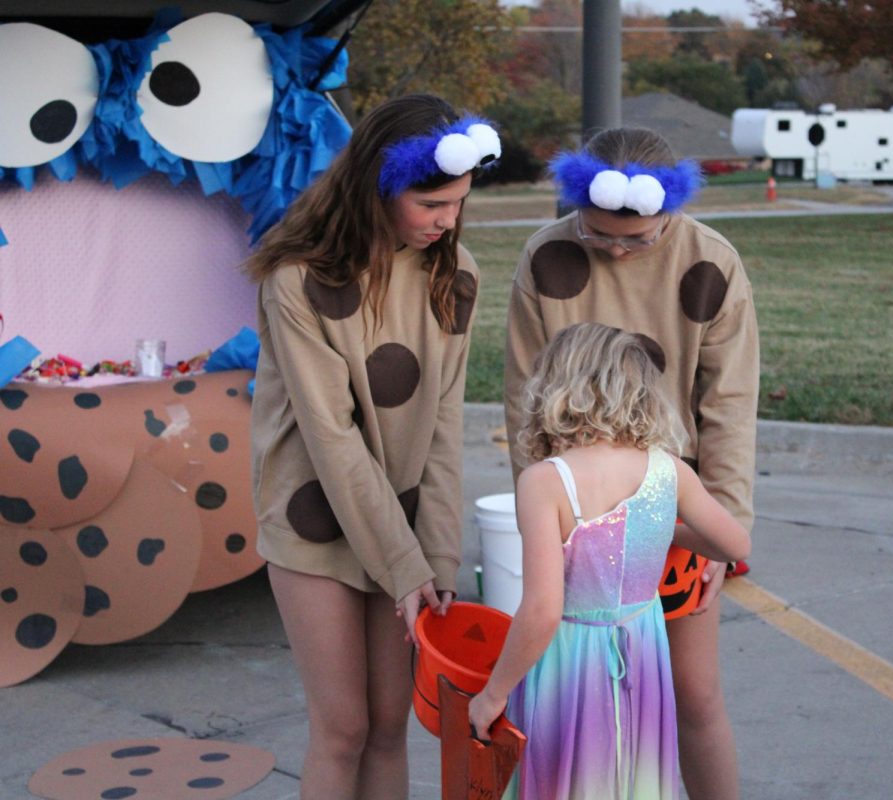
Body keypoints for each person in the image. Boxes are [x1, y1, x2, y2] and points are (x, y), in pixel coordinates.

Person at [246, 94, 499, 799]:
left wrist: (437, 552)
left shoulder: (457, 272)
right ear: (377, 186)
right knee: (344, 728)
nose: (448, 219)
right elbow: (331, 437)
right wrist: (404, 561)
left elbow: (445, 421)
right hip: (316, 520)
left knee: (391, 723)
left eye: (459, 201)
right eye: (432, 202)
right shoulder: (297, 278)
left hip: (406, 525)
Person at [504, 127, 759, 800]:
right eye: (600, 234)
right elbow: (524, 398)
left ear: (669, 211)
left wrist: (716, 537)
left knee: (696, 697)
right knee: (569, 706)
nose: (617, 249)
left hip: (673, 508)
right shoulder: (545, 256)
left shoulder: (712, 260)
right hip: (576, 515)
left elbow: (729, 405)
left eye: (638, 238)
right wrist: (547, 520)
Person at [471, 323, 751, 799]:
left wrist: (494, 693)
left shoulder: (545, 481)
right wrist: (656, 530)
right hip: (643, 653)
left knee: (570, 778)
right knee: (630, 778)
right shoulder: (669, 470)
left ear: (554, 388)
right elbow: (735, 546)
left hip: (570, 662)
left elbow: (542, 609)